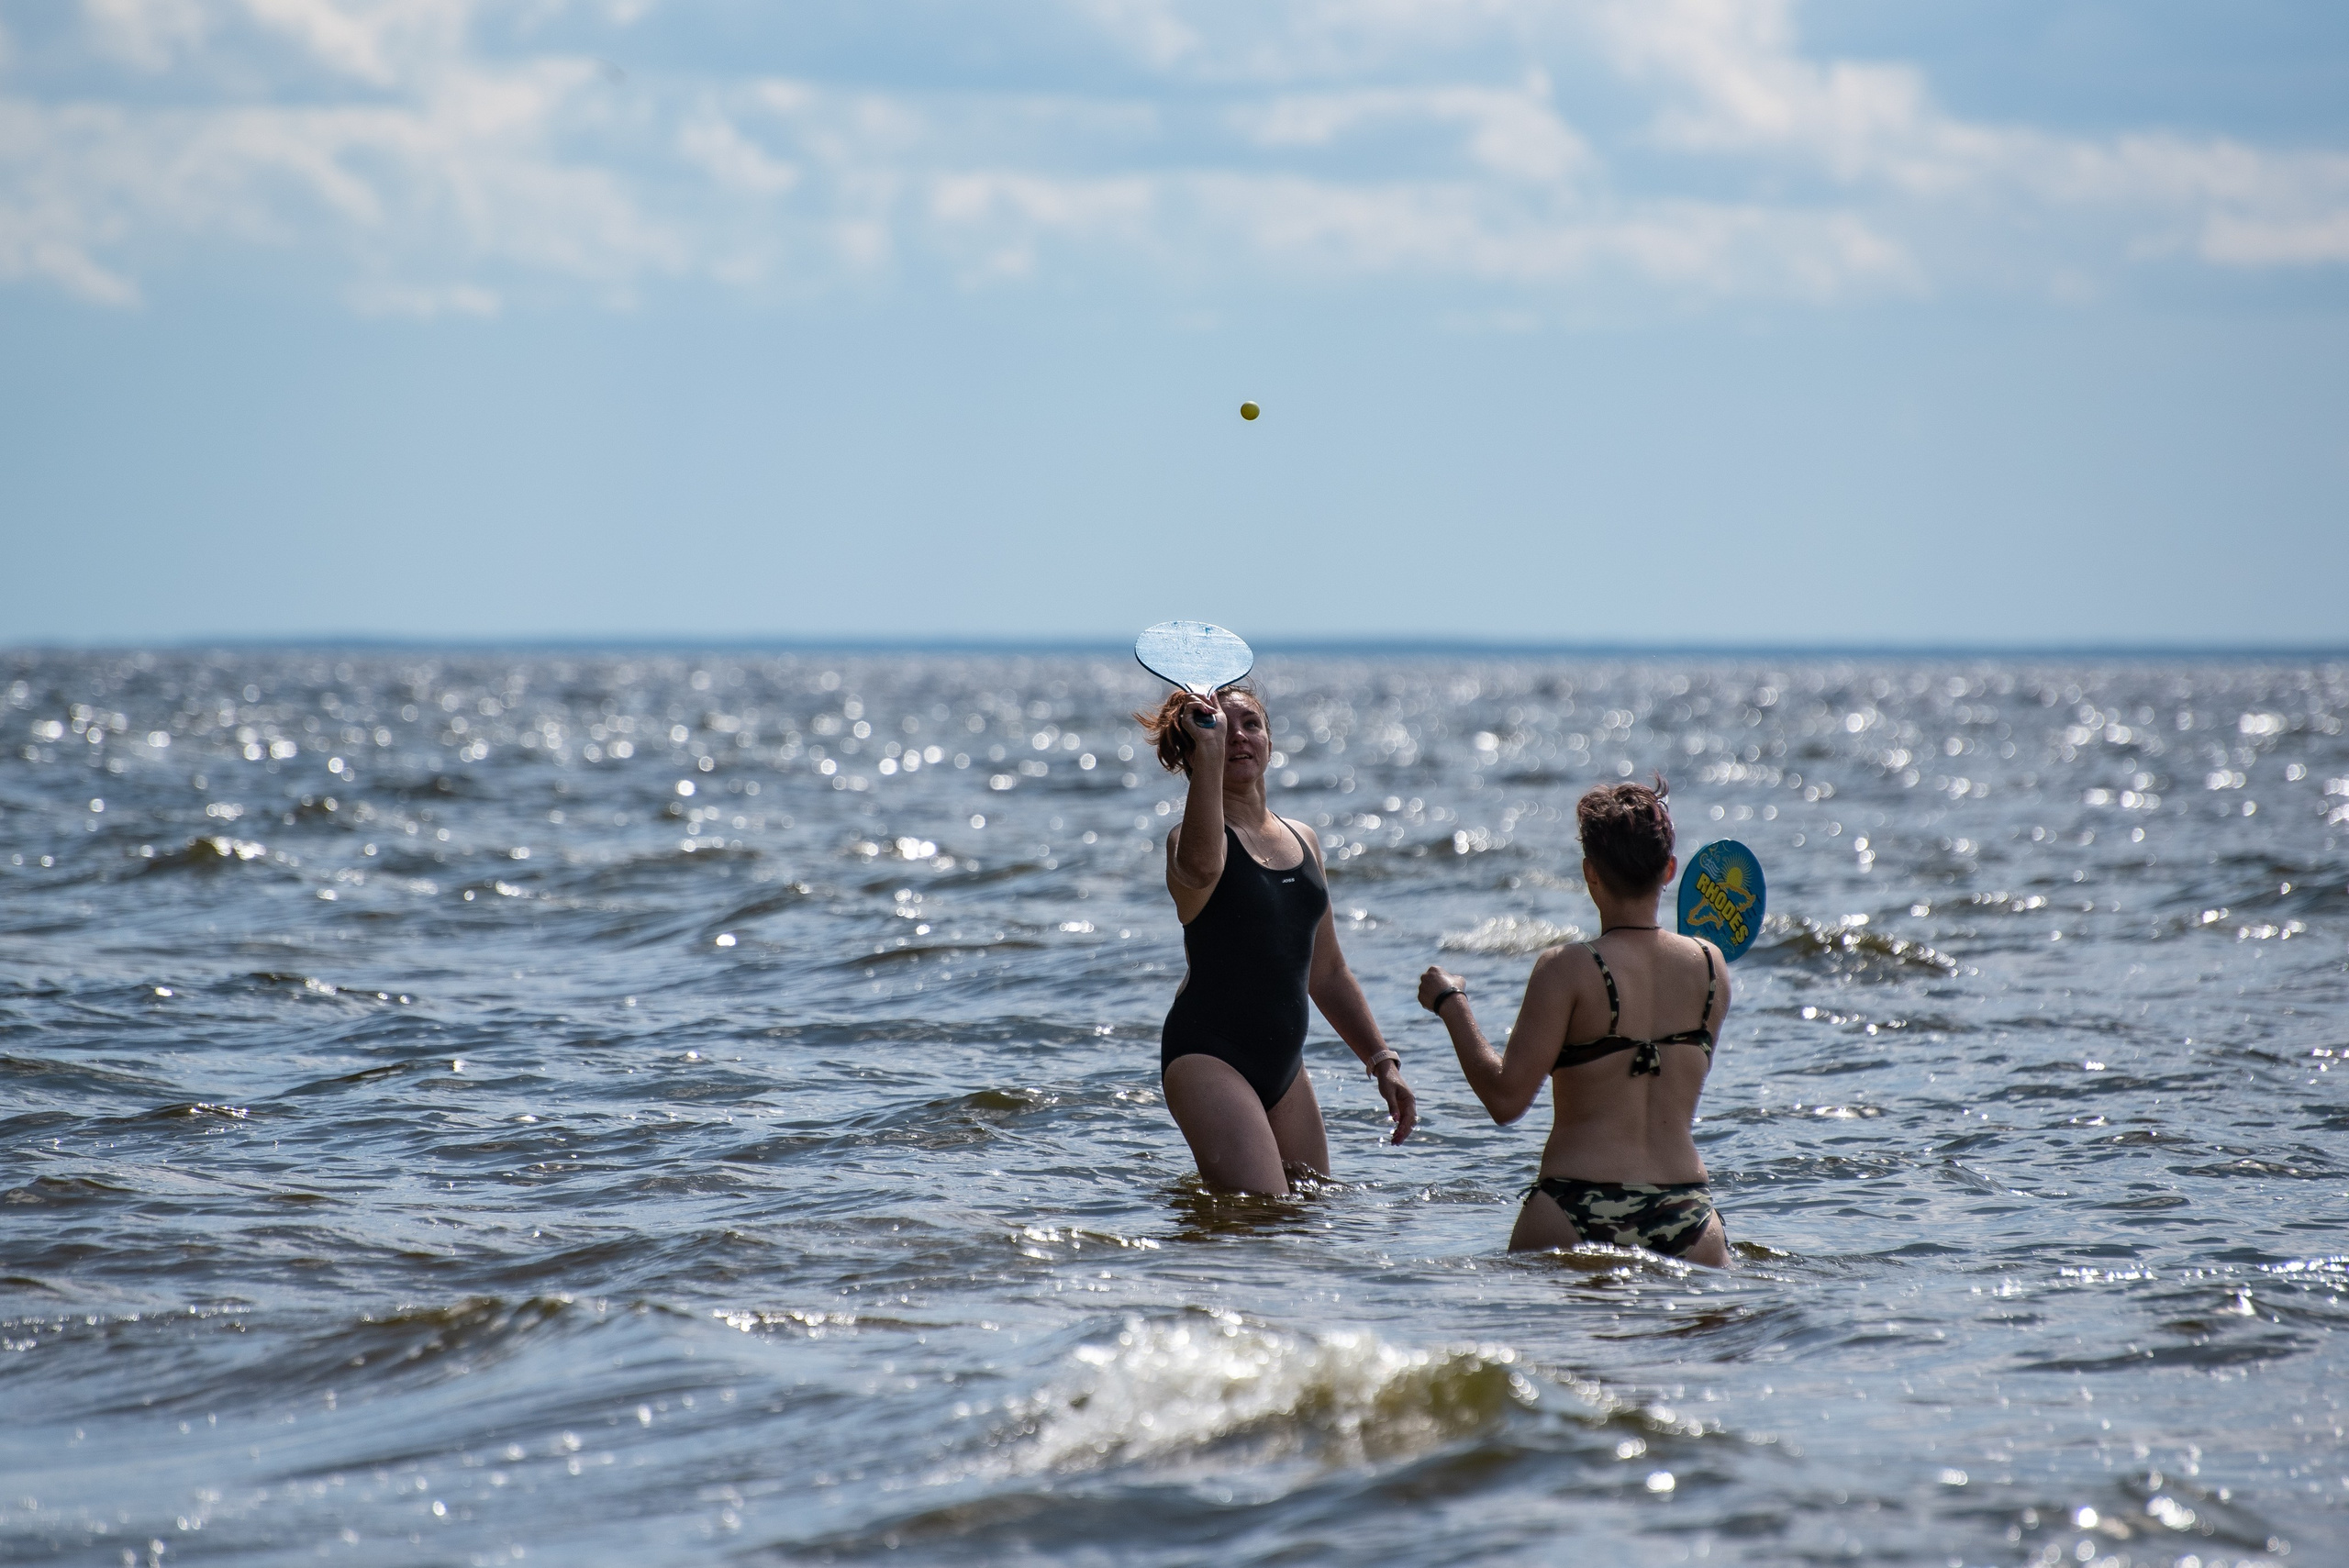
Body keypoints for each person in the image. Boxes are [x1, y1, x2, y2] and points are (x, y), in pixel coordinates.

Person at [1418, 779, 1731, 1263]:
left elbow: (1506, 1100)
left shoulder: (1566, 968)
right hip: (1687, 1211)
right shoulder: (1712, 967)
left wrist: (1451, 1002)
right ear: (1670, 869)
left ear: (1591, 873)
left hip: (1573, 1205)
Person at [1137, 684, 1417, 1194]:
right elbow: (1201, 869)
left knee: (1310, 1219)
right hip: (1208, 1056)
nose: (1238, 736)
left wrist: (1382, 1062)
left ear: (1270, 740)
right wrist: (1209, 747)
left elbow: (1327, 970)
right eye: (1223, 726)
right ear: (1193, 746)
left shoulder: (1303, 837)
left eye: (1252, 725)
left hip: (1285, 1068)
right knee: (1262, 1211)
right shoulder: (1192, 840)